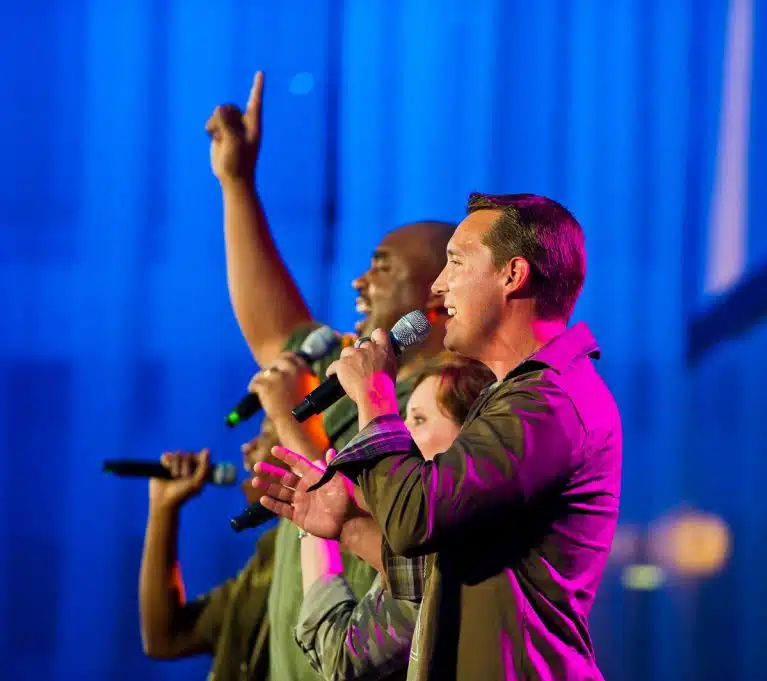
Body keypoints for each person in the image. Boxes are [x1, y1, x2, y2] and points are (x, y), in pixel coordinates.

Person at [254, 193, 623, 681]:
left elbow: (414, 519)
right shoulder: (521, 398)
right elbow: (436, 576)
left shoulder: (551, 401)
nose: (439, 285)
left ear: (513, 275)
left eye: (456, 263)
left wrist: (377, 398)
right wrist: (346, 525)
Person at [205, 70, 452, 681]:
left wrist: (293, 423)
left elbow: (404, 527)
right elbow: (274, 331)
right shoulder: (353, 375)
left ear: (438, 299)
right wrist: (236, 182)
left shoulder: (443, 408)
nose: (358, 284)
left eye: (382, 268)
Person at [287, 354, 495, 681]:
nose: (401, 432)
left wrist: (323, 534)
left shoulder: (462, 544)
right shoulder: (419, 542)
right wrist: (341, 525)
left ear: (465, 444)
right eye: (402, 417)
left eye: (418, 419)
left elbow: (343, 656)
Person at [138, 418, 283, 681]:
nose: (247, 447)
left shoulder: (333, 552)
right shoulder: (269, 556)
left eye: (266, 434)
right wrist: (163, 508)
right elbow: (165, 638)